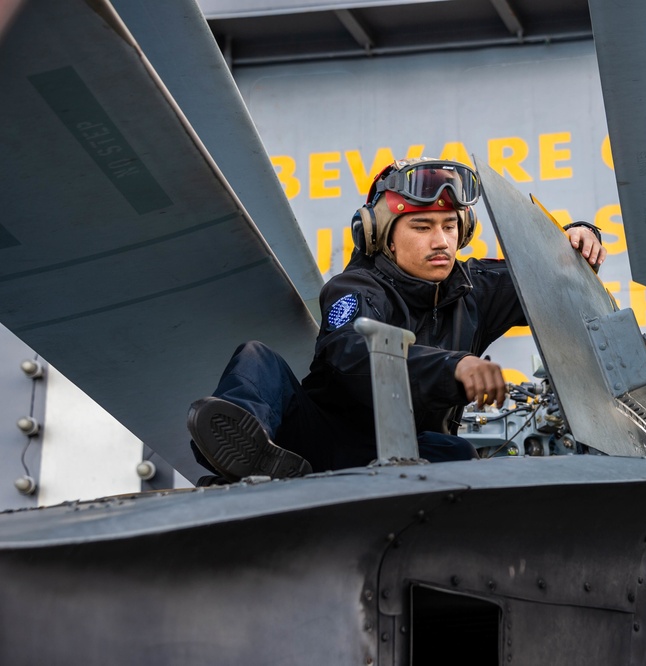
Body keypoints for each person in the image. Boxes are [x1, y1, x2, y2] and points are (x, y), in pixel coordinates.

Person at [187, 158, 605, 482]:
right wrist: (453, 365)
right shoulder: (355, 288)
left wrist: (575, 237)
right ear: (379, 234)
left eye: (449, 226)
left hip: (411, 453)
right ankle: (246, 459)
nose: (441, 242)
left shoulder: (474, 288)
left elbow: (544, 277)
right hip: (320, 444)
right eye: (422, 226)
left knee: (454, 453)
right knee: (257, 361)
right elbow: (353, 355)